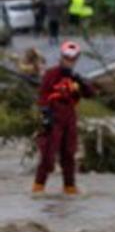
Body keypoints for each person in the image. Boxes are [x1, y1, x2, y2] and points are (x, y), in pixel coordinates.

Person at [31, 39, 88, 196]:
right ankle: (38, 188)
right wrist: (45, 114)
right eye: (66, 58)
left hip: (69, 118)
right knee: (48, 156)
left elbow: (90, 93)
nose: (69, 61)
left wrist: (81, 82)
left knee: (69, 155)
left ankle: (69, 189)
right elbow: (42, 95)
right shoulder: (51, 74)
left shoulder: (75, 78)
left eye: (73, 59)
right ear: (61, 57)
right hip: (53, 118)